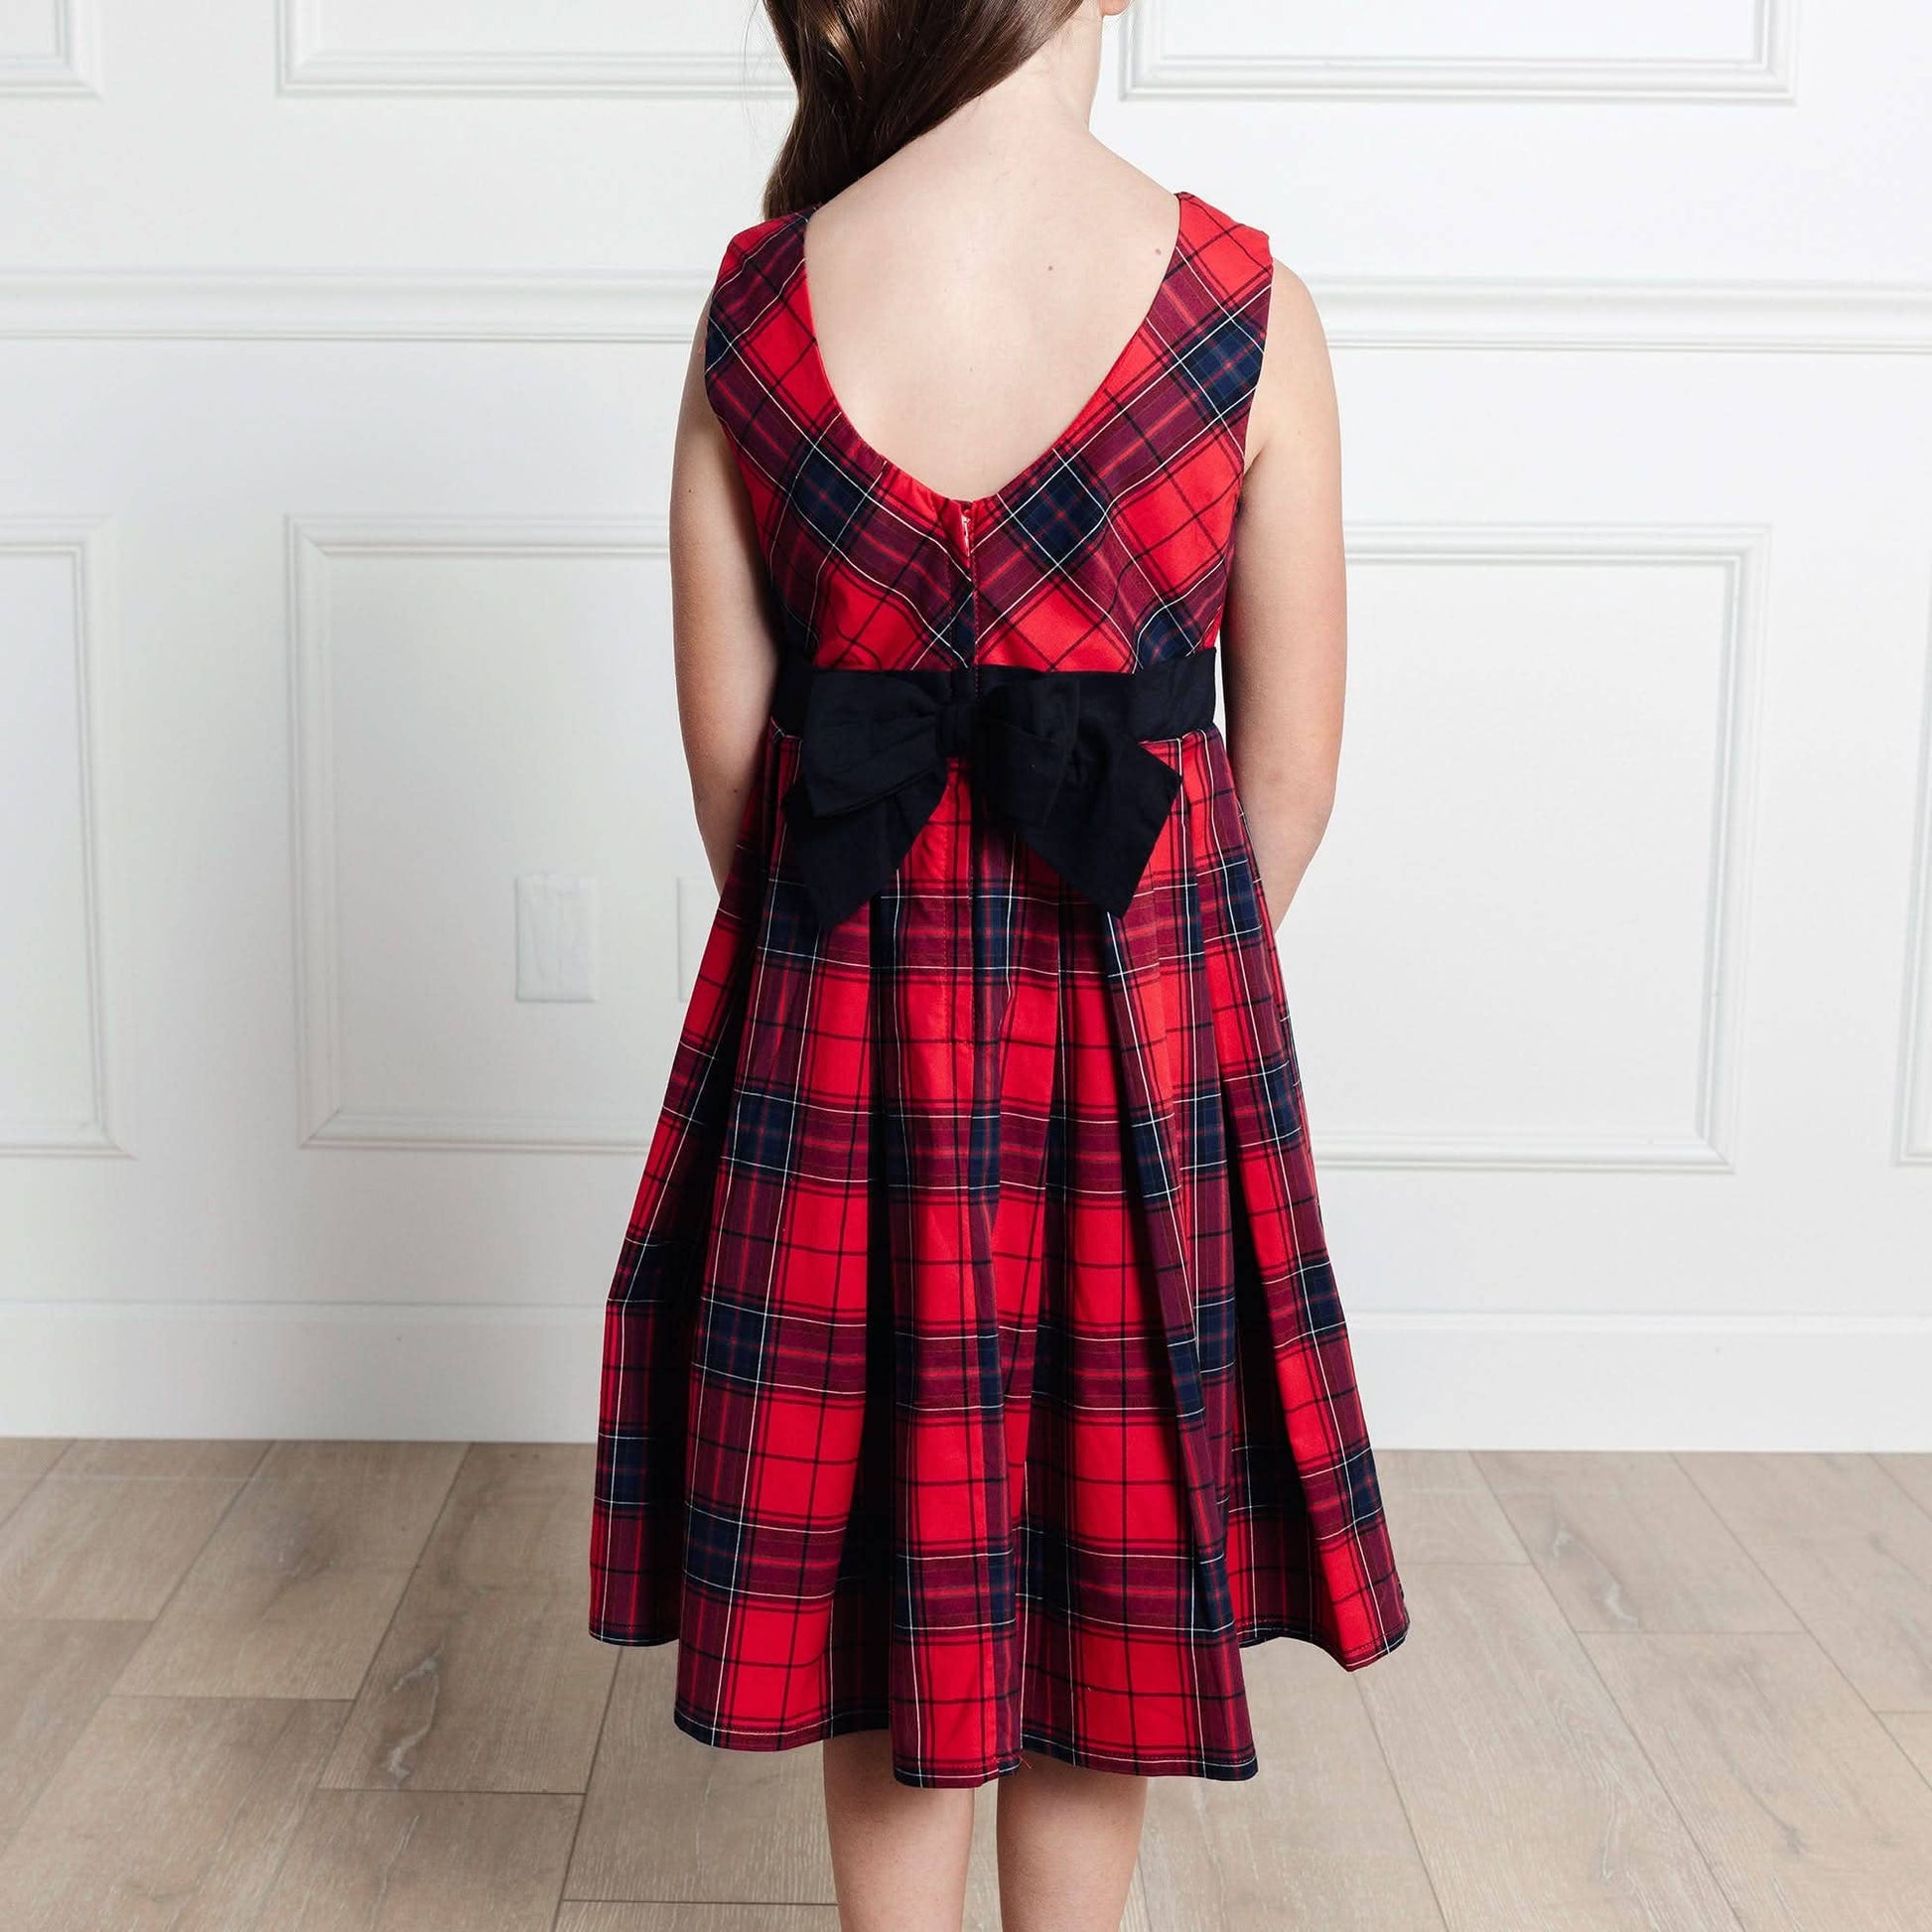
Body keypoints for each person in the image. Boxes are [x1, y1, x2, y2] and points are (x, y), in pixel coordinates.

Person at [589, 2, 1411, 1926]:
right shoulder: (1241, 302)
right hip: (1142, 1044)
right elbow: (1282, 768)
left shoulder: (759, 306)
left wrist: (881, 962)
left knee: (894, 1560)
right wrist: (1146, 969)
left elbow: (738, 791)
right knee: (1101, 1556)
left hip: (842, 1064)